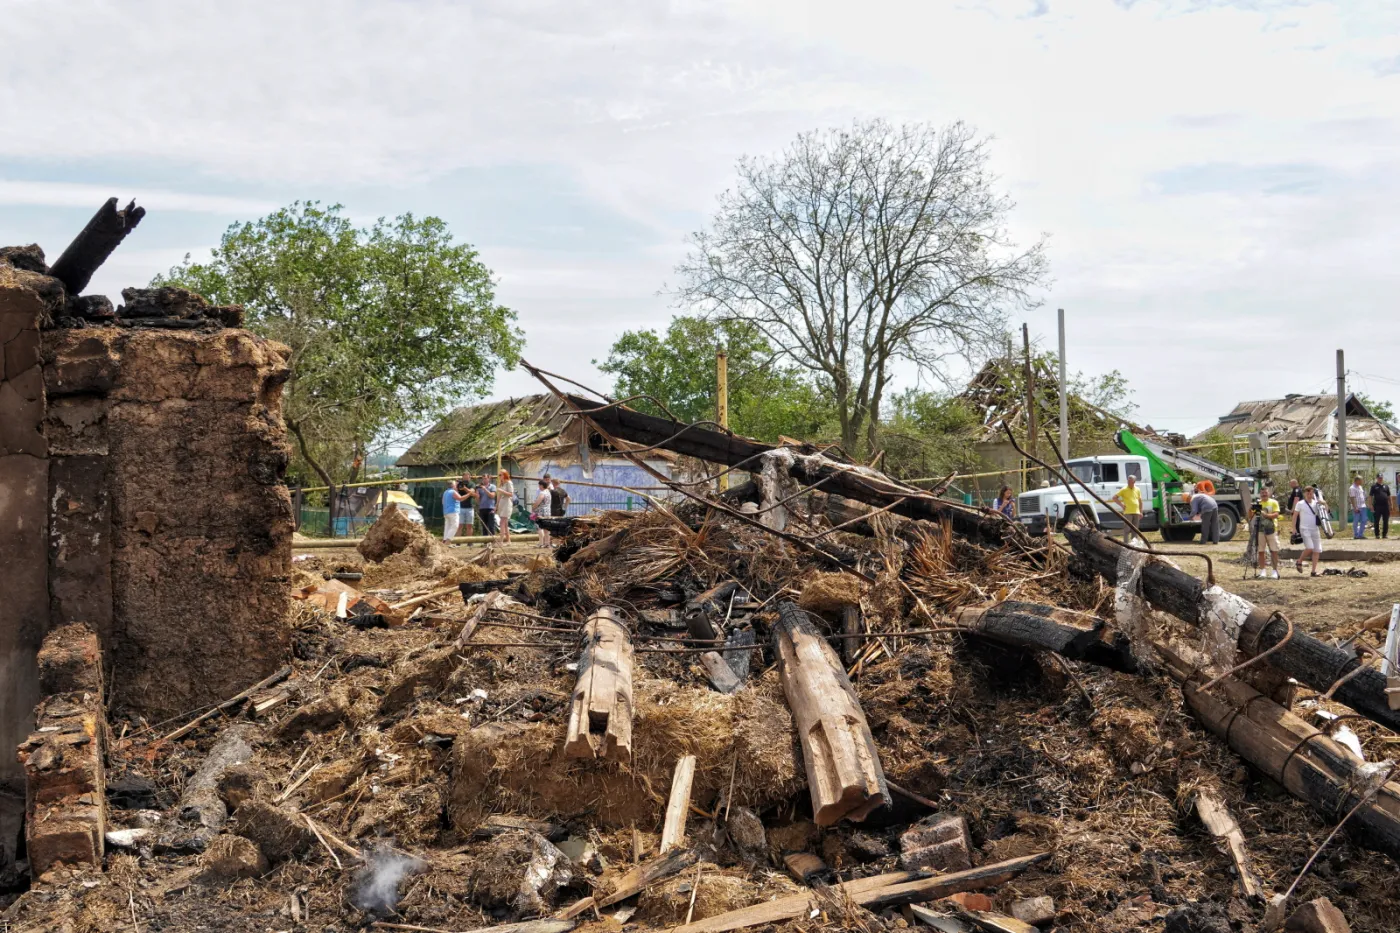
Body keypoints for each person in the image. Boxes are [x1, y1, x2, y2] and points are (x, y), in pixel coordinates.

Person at [1293, 484, 1324, 576]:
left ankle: (1313, 571)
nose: (1309, 494)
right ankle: (1299, 561)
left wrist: (1324, 503)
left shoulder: (1316, 503)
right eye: (1308, 493)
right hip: (1304, 528)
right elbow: (1295, 516)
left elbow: (1325, 512)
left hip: (1314, 528)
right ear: (1305, 493)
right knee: (1310, 547)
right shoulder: (1300, 503)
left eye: (1311, 493)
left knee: (1317, 550)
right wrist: (1294, 527)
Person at [1255, 485, 1282, 579]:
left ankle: (1274, 571)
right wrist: (1252, 508)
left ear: (1269, 493)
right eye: (1262, 493)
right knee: (1261, 551)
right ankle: (1263, 571)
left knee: (1274, 550)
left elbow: (1276, 514)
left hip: (1271, 529)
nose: (1264, 494)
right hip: (1260, 530)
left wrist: (1265, 515)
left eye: (1265, 492)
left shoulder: (1273, 502)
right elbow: (1251, 516)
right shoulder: (1258, 503)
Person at [1109, 473, 1144, 539]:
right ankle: (1126, 544)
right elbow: (1114, 498)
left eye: (1130, 481)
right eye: (1128, 481)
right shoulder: (1124, 489)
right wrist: (1122, 505)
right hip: (1128, 512)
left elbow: (1140, 501)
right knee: (1127, 529)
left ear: (1134, 482)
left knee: (1135, 529)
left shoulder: (1137, 489)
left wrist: (1141, 511)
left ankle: (1134, 544)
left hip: (1136, 512)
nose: (1129, 482)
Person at [531, 475, 553, 548]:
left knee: (539, 527)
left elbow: (537, 502)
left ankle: (541, 543)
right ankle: (547, 543)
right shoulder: (548, 492)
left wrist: (533, 508)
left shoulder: (542, 493)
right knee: (546, 528)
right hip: (547, 511)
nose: (539, 487)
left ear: (541, 485)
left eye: (539, 485)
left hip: (540, 511)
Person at [496, 469, 516, 544]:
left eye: (500, 475)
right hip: (502, 503)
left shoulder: (509, 483)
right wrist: (496, 505)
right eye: (499, 475)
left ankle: (501, 541)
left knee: (502, 522)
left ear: (504, 475)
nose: (499, 476)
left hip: (507, 503)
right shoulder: (501, 483)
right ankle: (508, 540)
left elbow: (511, 494)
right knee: (505, 524)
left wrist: (501, 491)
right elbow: (499, 496)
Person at [1370, 473, 1392, 539]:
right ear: (1377, 478)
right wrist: (1370, 505)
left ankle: (1384, 534)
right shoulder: (1374, 486)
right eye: (1379, 478)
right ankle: (1377, 534)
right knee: (1376, 521)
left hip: (1385, 506)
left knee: (1386, 521)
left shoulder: (1386, 486)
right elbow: (1370, 496)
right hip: (1377, 506)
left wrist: (1391, 504)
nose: (1380, 479)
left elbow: (1389, 496)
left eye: (1381, 478)